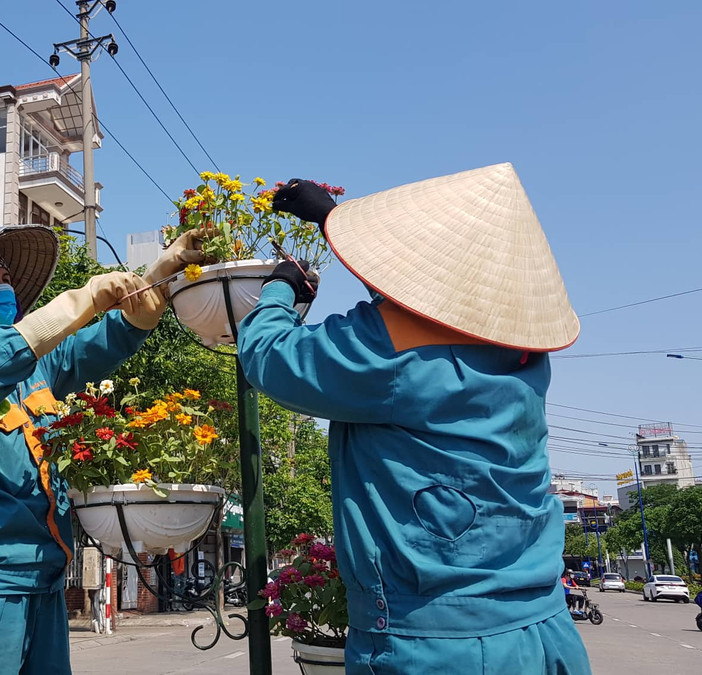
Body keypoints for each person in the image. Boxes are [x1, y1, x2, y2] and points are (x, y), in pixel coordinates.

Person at [238, 164, 590, 673]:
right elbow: (434, 312)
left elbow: (269, 356)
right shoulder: (520, 346)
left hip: (437, 645)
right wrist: (331, 220)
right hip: (545, 627)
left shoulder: (390, 349)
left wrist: (278, 290)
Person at [0, 225, 202, 675]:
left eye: (6, 278)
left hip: (44, 574)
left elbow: (85, 350)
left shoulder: (31, 372)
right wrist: (81, 300)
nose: (3, 288)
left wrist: (154, 280)